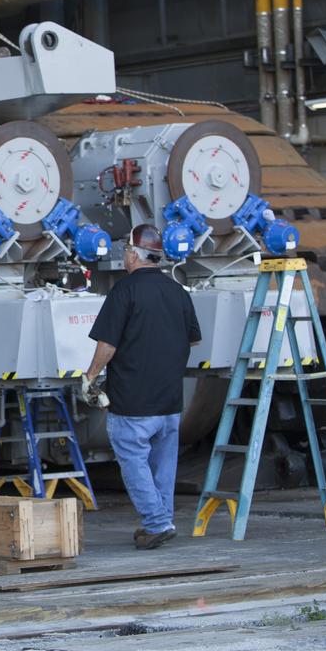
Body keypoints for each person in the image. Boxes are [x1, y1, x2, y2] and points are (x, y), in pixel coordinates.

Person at [83, 224, 202, 550]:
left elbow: (108, 343)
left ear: (134, 255)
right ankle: (161, 520)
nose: (123, 256)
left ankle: (157, 522)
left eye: (125, 250)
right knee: (164, 465)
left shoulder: (125, 291)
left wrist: (91, 376)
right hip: (170, 400)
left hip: (132, 400)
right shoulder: (178, 292)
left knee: (133, 460)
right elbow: (193, 338)